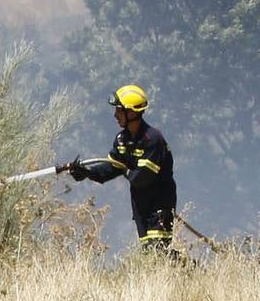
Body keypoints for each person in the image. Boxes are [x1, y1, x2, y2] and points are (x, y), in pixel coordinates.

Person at [68, 84, 178, 252]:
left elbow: (140, 178)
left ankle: (188, 265)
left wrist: (124, 168)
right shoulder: (122, 140)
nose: (115, 115)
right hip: (140, 205)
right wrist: (87, 172)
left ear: (132, 112)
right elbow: (111, 168)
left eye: (119, 111)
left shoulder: (152, 140)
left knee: (158, 251)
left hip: (160, 203)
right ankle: (186, 265)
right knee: (149, 252)